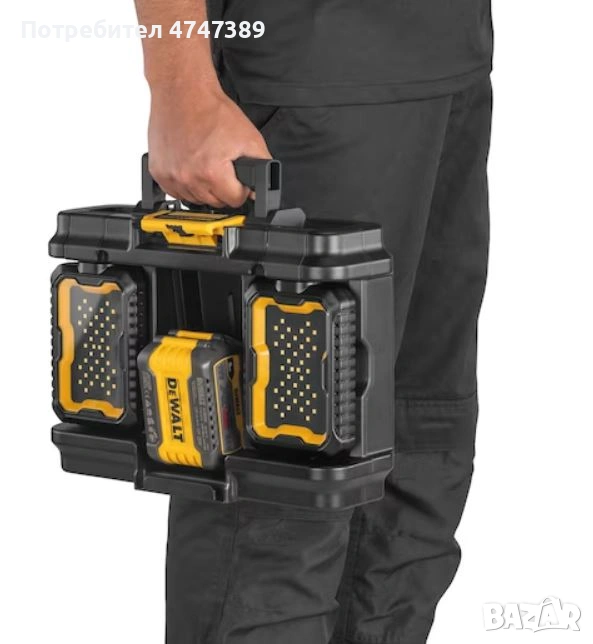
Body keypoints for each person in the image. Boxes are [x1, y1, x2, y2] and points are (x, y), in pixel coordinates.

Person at [133, 1, 493, 642]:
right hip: (307, 75)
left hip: (451, 67)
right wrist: (180, 85)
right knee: (282, 476)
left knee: (416, 449)